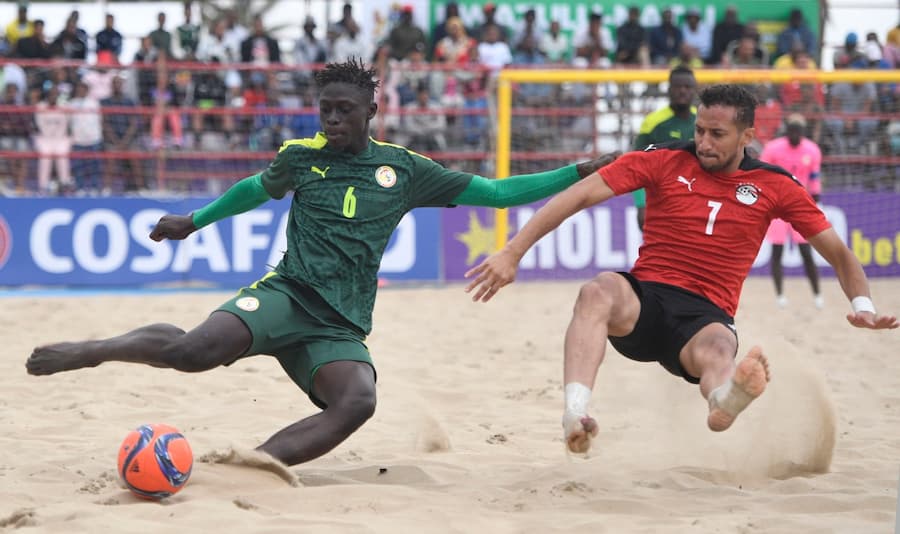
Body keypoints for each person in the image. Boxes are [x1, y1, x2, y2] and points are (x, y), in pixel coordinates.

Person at [26, 59, 620, 468]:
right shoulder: (301, 157)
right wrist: (194, 221)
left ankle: (258, 464)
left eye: (343, 111)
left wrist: (578, 172)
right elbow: (255, 191)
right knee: (193, 353)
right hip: (286, 294)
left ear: (371, 112)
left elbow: (495, 193)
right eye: (325, 111)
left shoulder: (405, 169)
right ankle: (95, 349)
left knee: (358, 401)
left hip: (339, 325)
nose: (331, 121)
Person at [464, 84, 898, 456]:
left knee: (719, 351)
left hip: (704, 316)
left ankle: (725, 400)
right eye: (700, 130)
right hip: (645, 301)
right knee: (597, 291)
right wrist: (513, 252)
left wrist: (862, 304)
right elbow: (578, 196)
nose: (704, 142)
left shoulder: (775, 185)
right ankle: (575, 414)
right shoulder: (662, 159)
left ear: (748, 134)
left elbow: (839, 253)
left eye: (717, 134)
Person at [760, 114, 823, 310]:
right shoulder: (773, 148)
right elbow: (763, 173)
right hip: (777, 205)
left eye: (798, 130)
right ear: (786, 130)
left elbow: (814, 177)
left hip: (799, 205)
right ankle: (779, 295)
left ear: (803, 132)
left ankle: (817, 294)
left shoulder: (812, 150)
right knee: (776, 251)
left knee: (806, 251)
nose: (794, 134)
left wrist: (816, 196)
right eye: (791, 129)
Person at [632, 66, 697, 230]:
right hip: (661, 201)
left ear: (694, 90)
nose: (682, 91)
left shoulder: (703, 121)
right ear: (669, 90)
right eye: (678, 87)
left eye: (687, 87)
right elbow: (636, 164)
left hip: (697, 200)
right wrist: (641, 205)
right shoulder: (653, 122)